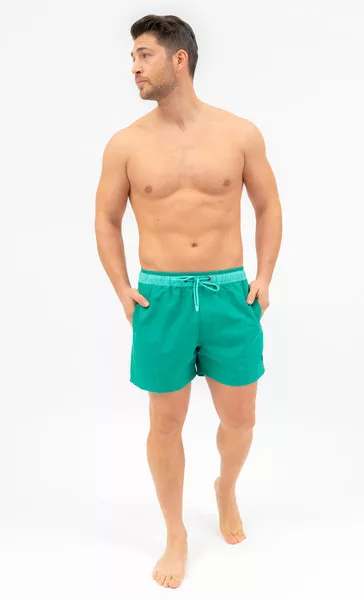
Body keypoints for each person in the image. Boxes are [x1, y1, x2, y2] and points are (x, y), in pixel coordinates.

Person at [94, 13, 282, 590]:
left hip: (230, 293)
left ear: (180, 60)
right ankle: (175, 532)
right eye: (132, 57)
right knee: (165, 423)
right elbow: (105, 218)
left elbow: (268, 206)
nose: (134, 67)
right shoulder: (126, 144)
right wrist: (122, 286)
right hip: (162, 297)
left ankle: (226, 488)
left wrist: (265, 276)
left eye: (144, 55)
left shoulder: (239, 134)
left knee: (241, 418)